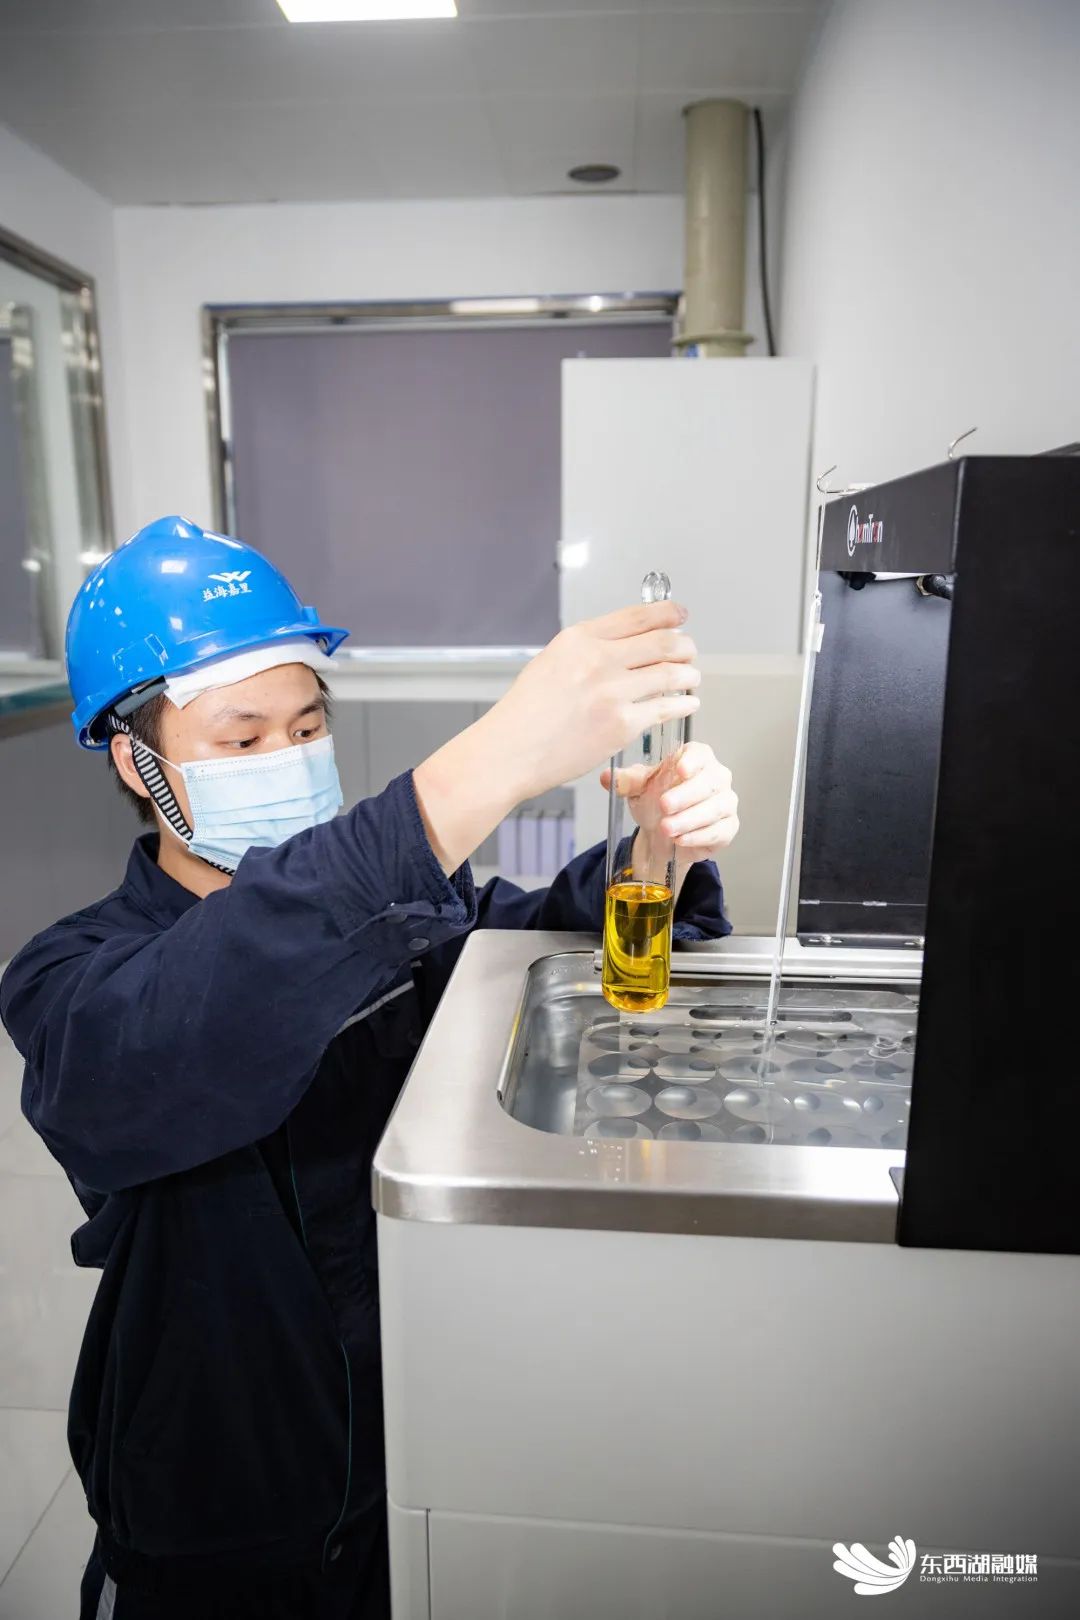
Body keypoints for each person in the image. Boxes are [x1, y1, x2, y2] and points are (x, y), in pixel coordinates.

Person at [0, 516, 739, 1620]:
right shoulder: (71, 976)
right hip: (217, 1508)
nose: (288, 758)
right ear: (135, 760)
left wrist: (653, 857)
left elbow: (544, 942)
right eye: (242, 740)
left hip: (407, 1455)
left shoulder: (404, 915)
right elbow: (199, 1015)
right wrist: (488, 762)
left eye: (306, 727)